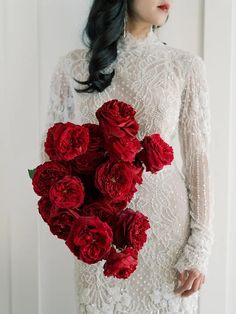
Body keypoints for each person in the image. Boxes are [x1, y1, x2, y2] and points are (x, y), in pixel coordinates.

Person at [41, 0, 215, 312]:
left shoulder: (185, 66)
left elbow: (199, 161)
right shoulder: (74, 65)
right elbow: (50, 158)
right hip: (98, 235)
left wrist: (199, 247)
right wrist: (71, 220)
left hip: (166, 233)